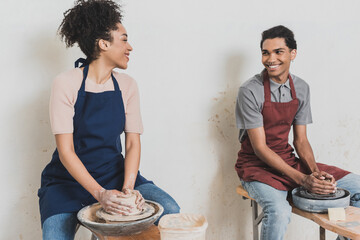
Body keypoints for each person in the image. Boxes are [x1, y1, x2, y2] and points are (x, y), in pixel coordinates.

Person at [38, 1, 180, 239]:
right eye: (124, 39)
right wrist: (100, 194)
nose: (130, 47)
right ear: (103, 44)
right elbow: (66, 152)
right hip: (67, 181)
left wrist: (127, 188)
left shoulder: (127, 85)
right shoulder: (66, 83)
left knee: (171, 210)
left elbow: (133, 143)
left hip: (114, 174)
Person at [235, 25, 360, 240]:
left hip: (289, 162)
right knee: (279, 211)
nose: (270, 59)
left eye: (278, 51)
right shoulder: (250, 91)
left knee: (357, 186)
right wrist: (303, 180)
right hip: (256, 167)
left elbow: (301, 140)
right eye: (266, 52)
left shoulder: (301, 88)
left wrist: (313, 172)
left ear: (293, 53)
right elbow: (260, 148)